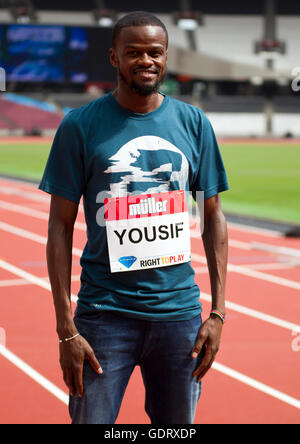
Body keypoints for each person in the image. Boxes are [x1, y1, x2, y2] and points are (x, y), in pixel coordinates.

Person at [39, 11, 229, 425]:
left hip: (179, 316)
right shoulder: (79, 126)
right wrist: (65, 329)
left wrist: (217, 312)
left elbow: (212, 216)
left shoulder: (194, 123)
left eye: (155, 52)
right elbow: (59, 228)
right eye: (134, 52)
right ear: (114, 58)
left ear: (165, 58)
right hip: (105, 316)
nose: (146, 61)